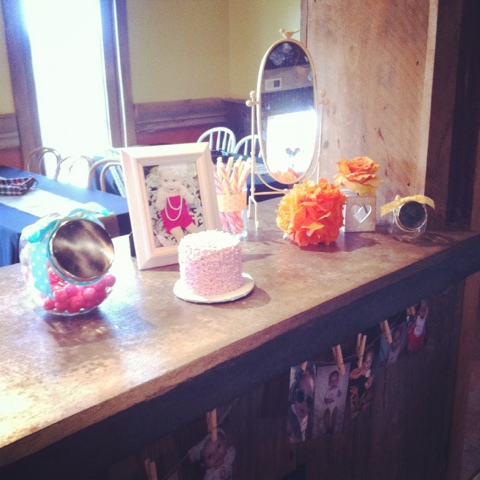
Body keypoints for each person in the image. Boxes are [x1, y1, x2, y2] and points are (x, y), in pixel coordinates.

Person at [155, 165, 198, 243]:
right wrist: (160, 201)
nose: (170, 184)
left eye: (174, 180)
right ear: (160, 180)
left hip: (184, 217)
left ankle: (200, 245)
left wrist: (186, 195)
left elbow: (191, 200)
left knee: (195, 231)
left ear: (181, 180)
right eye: (165, 181)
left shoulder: (182, 189)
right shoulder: (162, 192)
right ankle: (185, 247)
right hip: (171, 220)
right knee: (179, 235)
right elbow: (160, 208)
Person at [287, 365, 315, 442]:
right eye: (300, 395)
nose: (304, 403)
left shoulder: (312, 420)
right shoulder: (288, 415)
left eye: (309, 400)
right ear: (294, 393)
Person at [323, 370, 342, 435]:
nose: (333, 383)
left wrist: (339, 392)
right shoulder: (328, 390)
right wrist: (327, 400)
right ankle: (327, 429)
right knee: (326, 414)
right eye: (331, 381)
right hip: (328, 407)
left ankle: (332, 429)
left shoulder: (338, 388)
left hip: (335, 407)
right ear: (329, 382)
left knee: (334, 415)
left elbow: (340, 394)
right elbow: (325, 399)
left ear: (338, 381)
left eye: (335, 381)